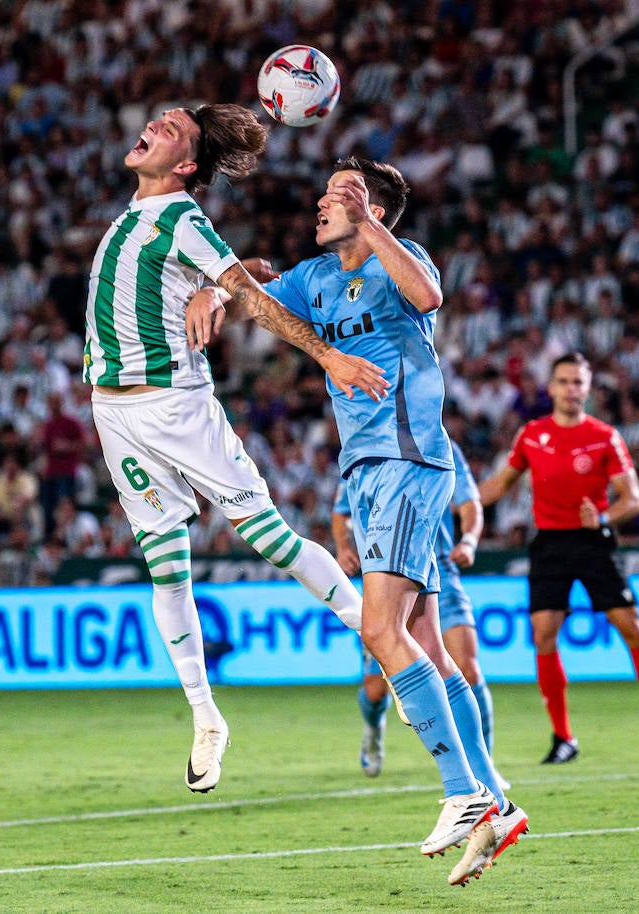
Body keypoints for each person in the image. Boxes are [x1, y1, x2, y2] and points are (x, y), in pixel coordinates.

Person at [196, 157, 526, 884]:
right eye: (322, 194)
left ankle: (464, 794)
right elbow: (258, 304)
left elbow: (429, 292)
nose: (319, 206)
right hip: (365, 476)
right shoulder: (315, 281)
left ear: (372, 207)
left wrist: (372, 222)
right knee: (429, 653)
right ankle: (495, 803)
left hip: (409, 462)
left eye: (337, 196)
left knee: (382, 632)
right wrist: (221, 281)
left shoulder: (401, 263)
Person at [84, 104, 385, 795]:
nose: (153, 127)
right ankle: (206, 719)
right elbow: (225, 275)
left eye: (171, 129)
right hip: (114, 413)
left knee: (272, 541)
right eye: (155, 120)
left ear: (186, 164)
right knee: (165, 568)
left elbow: (247, 290)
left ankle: (379, 643)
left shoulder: (183, 217)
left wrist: (326, 359)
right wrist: (212, 287)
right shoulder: (133, 220)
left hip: (176, 405)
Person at [477, 352, 639, 764]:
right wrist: (458, 502)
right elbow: (499, 484)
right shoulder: (532, 434)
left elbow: (634, 499)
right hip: (550, 544)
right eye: (564, 381)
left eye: (578, 383)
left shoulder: (605, 436)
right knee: (544, 635)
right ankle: (563, 737)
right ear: (551, 388)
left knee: (632, 628)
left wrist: (603, 516)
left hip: (593, 542)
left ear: (587, 390)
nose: (571, 389)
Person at [333, 440, 508, 794]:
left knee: (467, 666)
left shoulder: (440, 445)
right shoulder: (364, 445)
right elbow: (342, 511)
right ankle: (373, 728)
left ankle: (483, 768)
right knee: (375, 688)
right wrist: (343, 547)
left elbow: (470, 503)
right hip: (386, 575)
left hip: (440, 569)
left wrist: (470, 541)